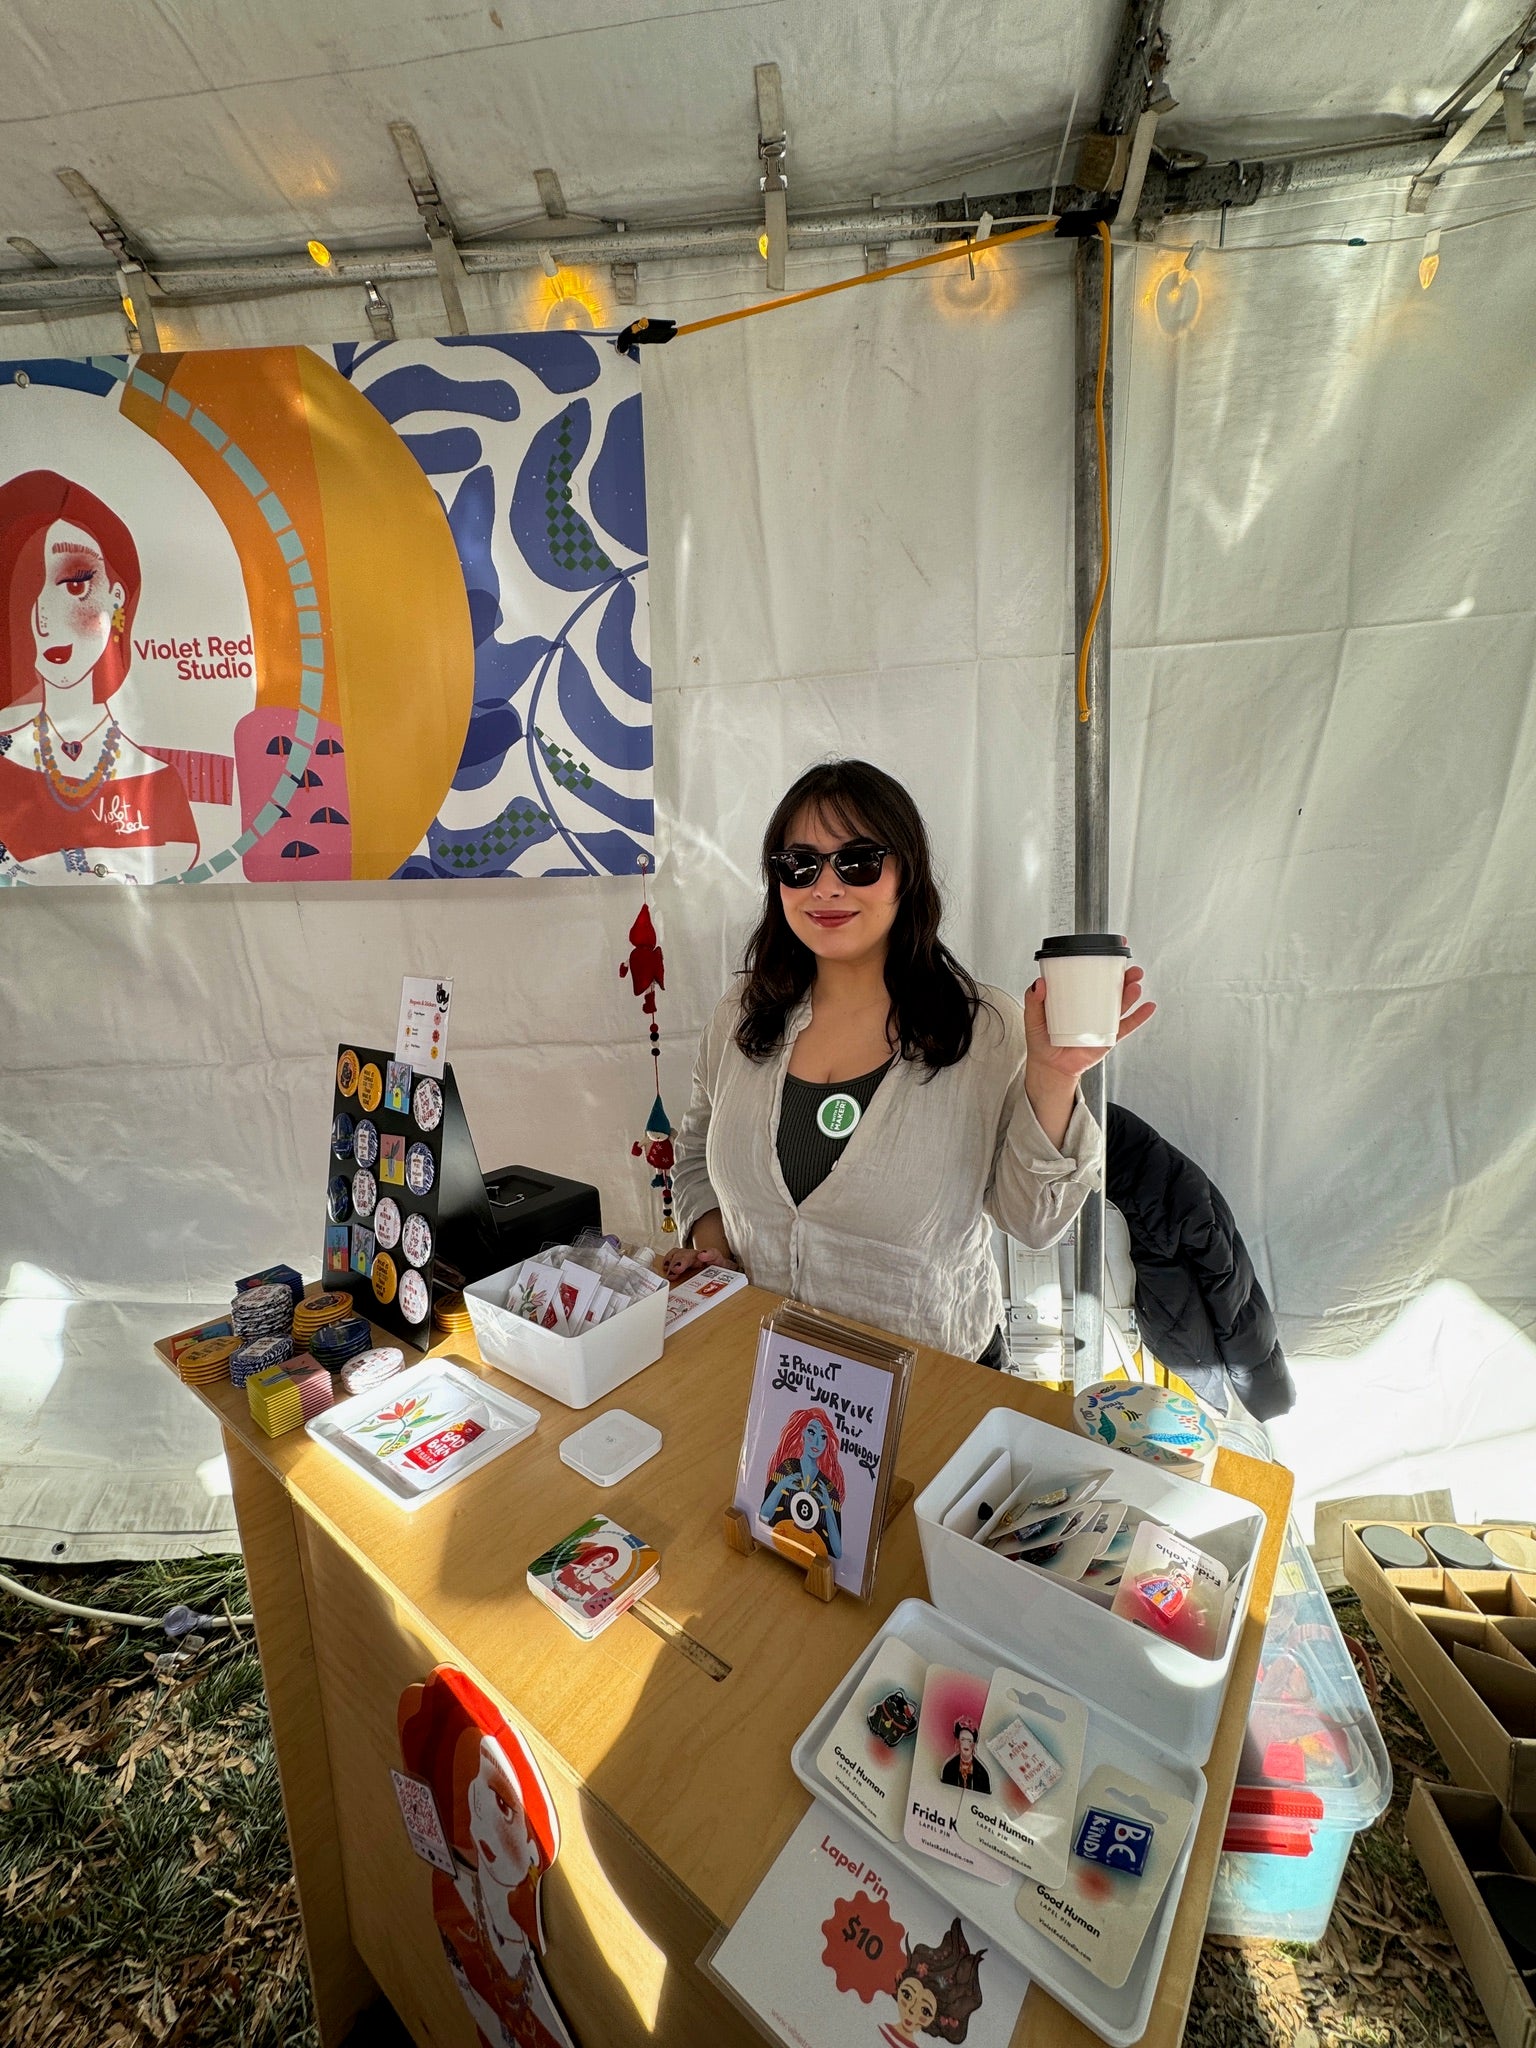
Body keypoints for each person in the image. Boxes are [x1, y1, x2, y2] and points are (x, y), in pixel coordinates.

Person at [666, 760, 1152, 1363]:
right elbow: (695, 1151)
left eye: (858, 861)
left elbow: (1034, 1223)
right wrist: (714, 1250)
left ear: (907, 873)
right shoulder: (741, 1015)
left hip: (936, 1382)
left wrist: (1055, 1076)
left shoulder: (985, 1030)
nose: (825, 887)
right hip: (768, 1371)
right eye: (800, 865)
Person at [0, 468, 198, 882]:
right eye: (25, 591)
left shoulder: (157, 782)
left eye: (75, 586)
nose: (46, 622)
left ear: (116, 596)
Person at [939, 1717, 990, 1795]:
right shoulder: (948, 1768)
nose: (966, 1744)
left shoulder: (983, 1773)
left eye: (969, 1740)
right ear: (958, 1741)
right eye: (963, 1739)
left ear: (974, 1743)